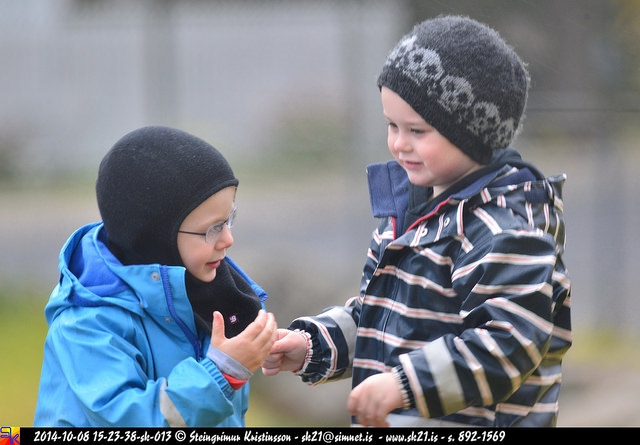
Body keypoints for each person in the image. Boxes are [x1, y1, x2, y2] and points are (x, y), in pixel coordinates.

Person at [262, 16, 572, 427]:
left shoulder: (505, 230)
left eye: (417, 130)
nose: (398, 143)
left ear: (471, 133)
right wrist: (314, 344)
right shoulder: (411, 215)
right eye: (391, 125)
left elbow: (508, 345)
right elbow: (379, 315)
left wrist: (404, 384)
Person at [34, 126, 277, 427]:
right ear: (155, 238)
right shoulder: (88, 323)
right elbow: (133, 419)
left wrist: (271, 344)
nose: (228, 239)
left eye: (229, 220)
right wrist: (222, 373)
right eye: (213, 227)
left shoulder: (211, 292)